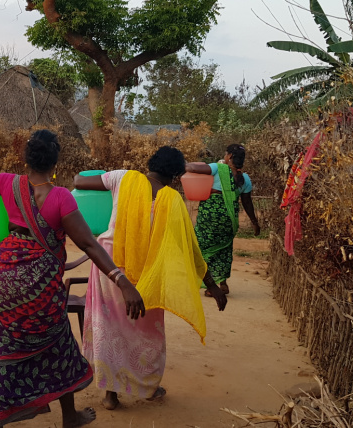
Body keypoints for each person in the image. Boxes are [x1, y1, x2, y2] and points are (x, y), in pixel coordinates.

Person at [0, 129, 145, 428]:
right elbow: (89, 244)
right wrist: (122, 282)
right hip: (41, 288)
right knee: (58, 345)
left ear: (26, 159)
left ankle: (2, 418)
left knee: (5, 344)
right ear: (55, 163)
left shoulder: (8, 183)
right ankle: (69, 417)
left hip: (5, 280)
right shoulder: (61, 198)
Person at [73, 146, 227, 411]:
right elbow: (190, 250)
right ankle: (147, 387)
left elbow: (78, 181)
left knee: (109, 328)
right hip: (149, 273)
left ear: (150, 164)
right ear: (176, 176)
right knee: (146, 333)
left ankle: (110, 394)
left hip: (109, 266)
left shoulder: (123, 178)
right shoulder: (173, 201)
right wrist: (212, 285)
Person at [186, 143, 261, 295]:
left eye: (226, 154)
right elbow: (247, 203)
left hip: (210, 218)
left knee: (202, 248)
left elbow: (192, 169)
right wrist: (255, 223)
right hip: (229, 220)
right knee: (224, 249)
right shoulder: (246, 179)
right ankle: (223, 282)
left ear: (230, 156)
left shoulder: (217, 168)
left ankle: (210, 285)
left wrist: (181, 162)